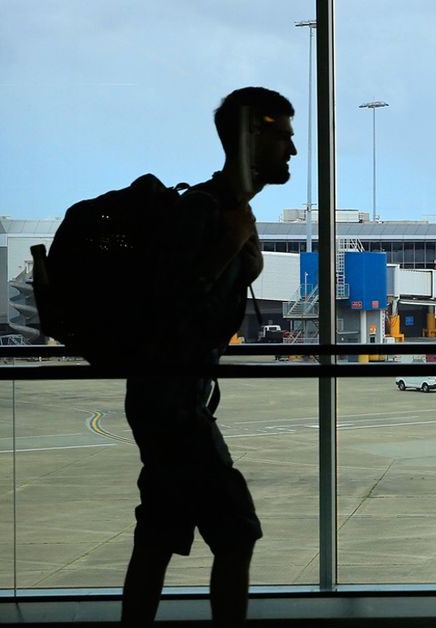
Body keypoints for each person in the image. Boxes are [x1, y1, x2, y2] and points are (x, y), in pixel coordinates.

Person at [120, 87, 297, 627]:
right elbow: (167, 303)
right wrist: (229, 247)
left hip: (172, 401)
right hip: (173, 406)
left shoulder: (231, 208)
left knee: (157, 536)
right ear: (252, 137)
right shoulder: (202, 209)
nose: (292, 150)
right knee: (236, 533)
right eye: (283, 137)